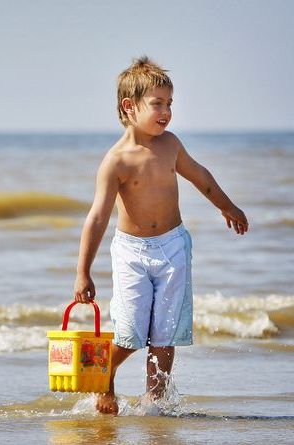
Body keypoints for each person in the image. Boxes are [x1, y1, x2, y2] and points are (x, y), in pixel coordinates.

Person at [72, 56, 248, 415]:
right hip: (131, 253)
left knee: (166, 333)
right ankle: (104, 376)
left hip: (173, 246)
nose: (166, 111)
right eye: (157, 104)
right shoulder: (116, 160)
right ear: (129, 106)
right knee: (131, 331)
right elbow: (97, 217)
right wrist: (83, 271)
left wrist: (227, 206)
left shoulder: (171, 145)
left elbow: (200, 176)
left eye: (169, 104)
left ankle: (155, 404)